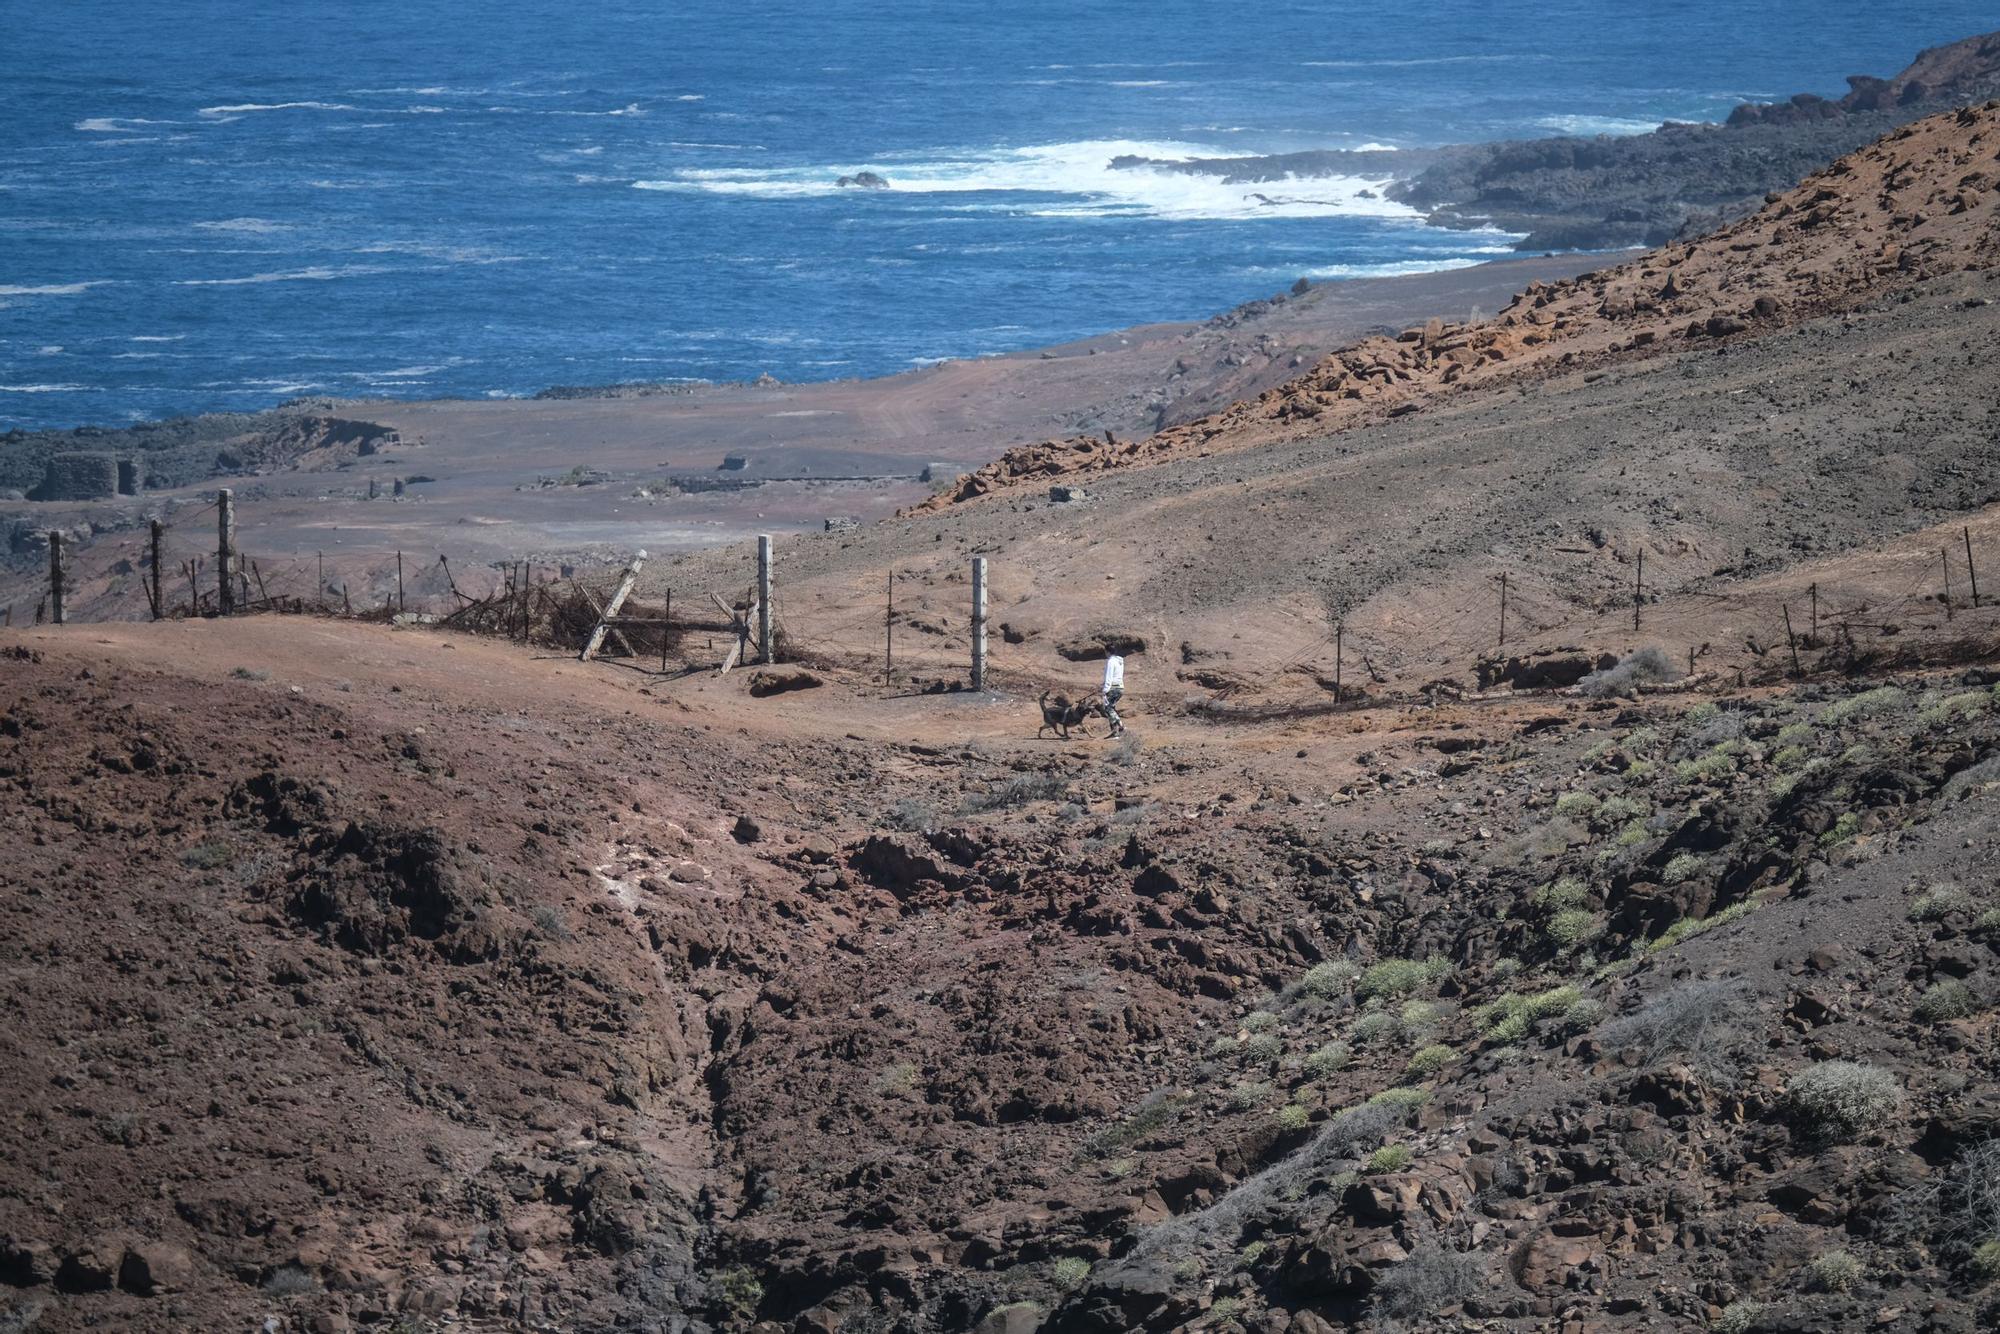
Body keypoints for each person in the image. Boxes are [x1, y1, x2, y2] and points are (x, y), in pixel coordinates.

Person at [1099, 653, 1125, 738]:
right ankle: (1116, 731)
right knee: (1111, 708)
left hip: (1113, 688)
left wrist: (1105, 690)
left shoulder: (1111, 661)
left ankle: (1119, 728)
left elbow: (1109, 676)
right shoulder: (1120, 661)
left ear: (1107, 651)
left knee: (1107, 708)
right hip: (1120, 687)